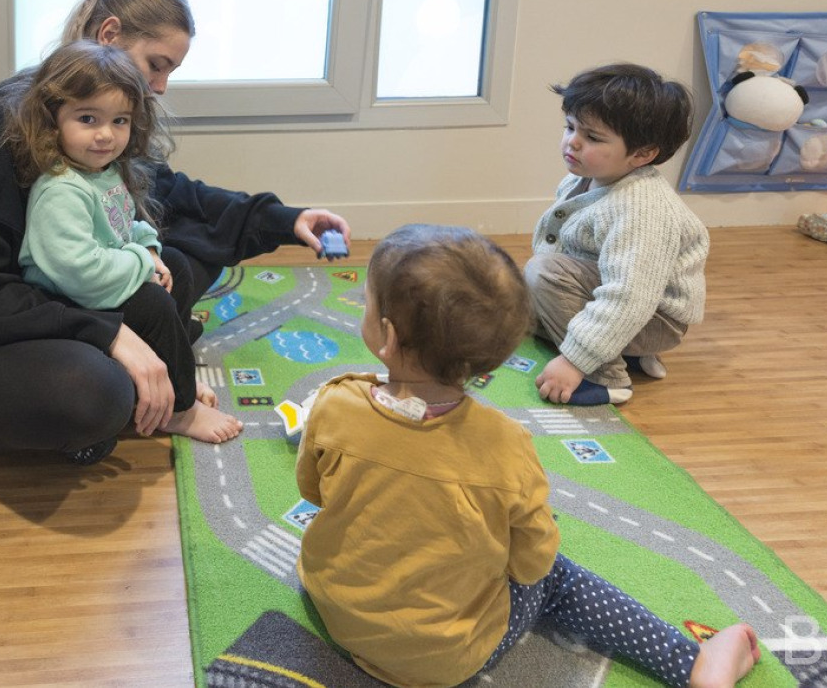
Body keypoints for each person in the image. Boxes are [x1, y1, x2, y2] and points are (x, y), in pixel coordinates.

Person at [0, 0, 350, 464]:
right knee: (94, 392)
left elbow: (171, 194)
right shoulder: (6, 123)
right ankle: (133, 388)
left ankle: (146, 373)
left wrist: (284, 219)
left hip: (61, 293)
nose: (162, 86)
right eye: (157, 65)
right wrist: (107, 332)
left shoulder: (100, 123)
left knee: (183, 256)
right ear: (109, 36)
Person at [295, 223, 759, 688]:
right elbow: (531, 563)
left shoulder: (336, 403)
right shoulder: (504, 444)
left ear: (387, 337)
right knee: (557, 576)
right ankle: (691, 665)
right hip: (446, 660)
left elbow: (312, 491)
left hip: (334, 607)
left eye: (367, 303)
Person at [8, 39, 241, 445]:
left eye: (119, 121)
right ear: (54, 120)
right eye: (87, 119)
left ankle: (171, 367)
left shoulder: (103, 172)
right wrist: (140, 265)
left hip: (104, 277)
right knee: (153, 303)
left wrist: (149, 251)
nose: (106, 135)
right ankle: (180, 410)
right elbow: (79, 270)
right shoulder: (61, 190)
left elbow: (125, 223)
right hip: (72, 300)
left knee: (178, 266)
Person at [526, 63, 709, 406]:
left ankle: (607, 375)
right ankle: (625, 349)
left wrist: (574, 361)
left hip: (652, 316)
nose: (573, 142)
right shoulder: (584, 179)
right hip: (622, 300)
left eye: (592, 137)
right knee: (520, 293)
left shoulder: (642, 208)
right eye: (570, 127)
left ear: (642, 154)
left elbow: (631, 295)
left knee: (543, 274)